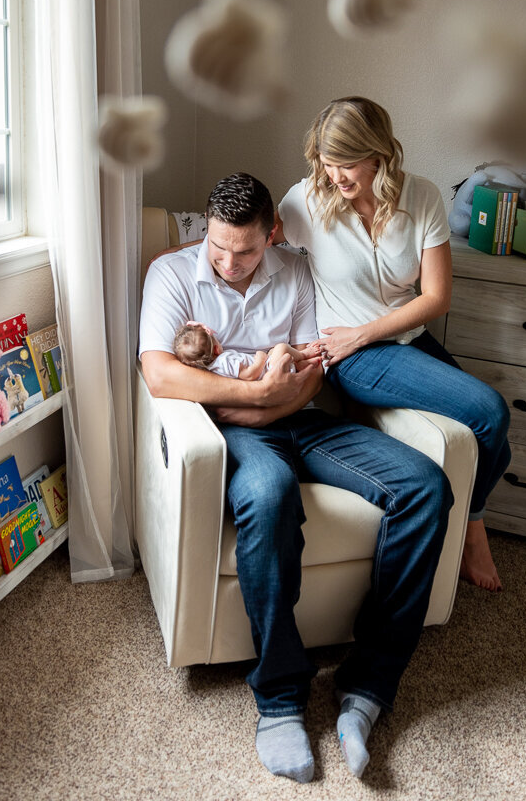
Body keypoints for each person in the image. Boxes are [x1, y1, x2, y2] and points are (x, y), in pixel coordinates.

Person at [139, 172, 455, 783]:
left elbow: (312, 374)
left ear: (272, 235)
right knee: (269, 492)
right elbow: (161, 375)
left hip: (303, 420)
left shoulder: (297, 269)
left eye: (247, 249)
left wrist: (263, 400)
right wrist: (253, 395)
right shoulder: (172, 274)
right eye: (219, 246)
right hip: (238, 435)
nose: (230, 262)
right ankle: (281, 696)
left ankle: (367, 684)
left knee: (425, 486)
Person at [276, 95, 511, 593]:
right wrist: (183, 254)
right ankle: (473, 531)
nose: (335, 174)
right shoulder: (306, 201)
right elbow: (251, 239)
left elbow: (437, 297)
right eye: (326, 160)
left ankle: (472, 516)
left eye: (348, 162)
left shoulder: (421, 196)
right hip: (352, 356)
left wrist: (370, 329)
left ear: (378, 153)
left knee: (497, 438)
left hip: (404, 340)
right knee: (488, 409)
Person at [172, 320, 321, 380]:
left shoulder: (215, 367)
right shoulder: (225, 361)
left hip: (269, 369)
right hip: (269, 372)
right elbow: (249, 375)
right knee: (281, 348)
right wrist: (260, 358)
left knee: (274, 353)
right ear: (216, 349)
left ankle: (300, 365)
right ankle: (303, 355)